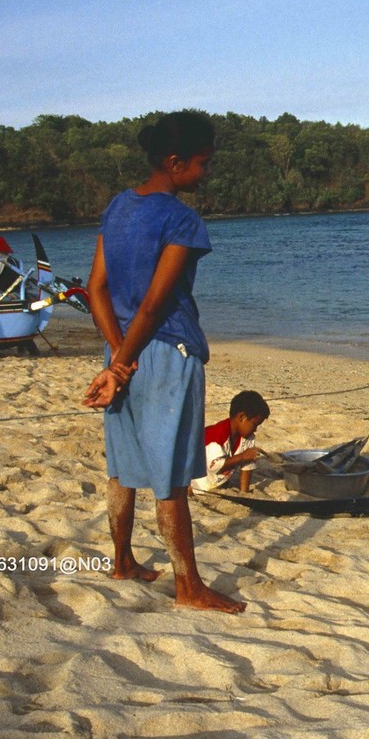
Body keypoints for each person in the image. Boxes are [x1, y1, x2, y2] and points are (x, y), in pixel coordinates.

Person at [82, 110, 245, 614]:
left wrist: (115, 360)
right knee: (171, 477)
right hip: (165, 354)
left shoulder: (118, 207)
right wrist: (122, 363)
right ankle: (188, 585)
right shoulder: (181, 219)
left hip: (122, 352)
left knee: (122, 468)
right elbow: (155, 304)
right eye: (202, 164)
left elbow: (97, 290)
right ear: (175, 163)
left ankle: (122, 559)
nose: (207, 173)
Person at [190, 390, 270, 494]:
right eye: (254, 425)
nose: (255, 429)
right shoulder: (216, 435)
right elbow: (214, 466)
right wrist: (242, 456)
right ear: (241, 417)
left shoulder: (248, 437)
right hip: (196, 484)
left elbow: (247, 465)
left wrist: (244, 492)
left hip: (217, 484)